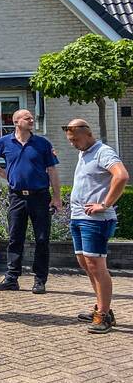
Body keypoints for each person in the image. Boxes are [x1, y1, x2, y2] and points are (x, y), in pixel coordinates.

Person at [0, 109, 62, 294]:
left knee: (42, 239)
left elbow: (52, 171)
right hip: (17, 196)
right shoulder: (4, 142)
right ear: (16, 121)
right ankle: (12, 278)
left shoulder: (42, 143)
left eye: (32, 118)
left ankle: (40, 280)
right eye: (27, 118)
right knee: (15, 238)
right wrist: (5, 174)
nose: (32, 120)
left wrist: (57, 197)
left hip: (40, 196)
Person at [64, 119, 128, 334]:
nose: (73, 144)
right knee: (85, 263)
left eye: (75, 140)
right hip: (79, 217)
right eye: (70, 140)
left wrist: (105, 204)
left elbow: (121, 176)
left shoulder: (103, 152)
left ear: (87, 133)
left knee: (96, 265)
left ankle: (105, 315)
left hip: (96, 220)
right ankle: (101, 307)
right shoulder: (84, 153)